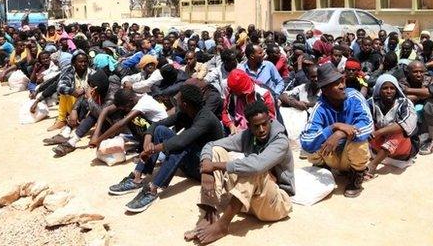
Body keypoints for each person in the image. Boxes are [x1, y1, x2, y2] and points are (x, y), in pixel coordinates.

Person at [184, 101, 294, 244]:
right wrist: (206, 169)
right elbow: (211, 145)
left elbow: (257, 166)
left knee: (253, 168)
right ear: (249, 126)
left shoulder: (281, 141)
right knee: (217, 151)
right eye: (256, 126)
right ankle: (210, 214)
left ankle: (222, 225)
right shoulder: (248, 135)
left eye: (265, 124)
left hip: (275, 204)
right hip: (249, 202)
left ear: (270, 120)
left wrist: (215, 166)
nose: (261, 129)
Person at [109, 84, 225, 213]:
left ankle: (153, 189)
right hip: (191, 159)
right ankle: (137, 177)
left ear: (185, 104)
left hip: (204, 168)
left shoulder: (205, 119)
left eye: (178, 99)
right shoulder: (186, 113)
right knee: (160, 130)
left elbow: (181, 141)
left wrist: (152, 150)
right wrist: (147, 142)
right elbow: (158, 124)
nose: (176, 101)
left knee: (181, 146)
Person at [300, 63, 374, 198]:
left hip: (349, 156)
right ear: (325, 90)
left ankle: (356, 177)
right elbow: (306, 141)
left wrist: (340, 133)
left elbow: (368, 126)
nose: (342, 86)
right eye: (336, 84)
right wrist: (333, 127)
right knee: (314, 141)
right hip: (330, 156)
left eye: (342, 81)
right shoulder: (320, 107)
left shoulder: (355, 97)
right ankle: (324, 169)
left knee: (360, 141)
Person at [367, 74, 418, 179]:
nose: (389, 91)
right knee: (366, 124)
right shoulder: (371, 103)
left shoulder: (405, 103)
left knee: (399, 131)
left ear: (397, 90)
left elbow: (407, 124)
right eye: (385, 88)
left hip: (400, 152)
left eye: (392, 88)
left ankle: (373, 165)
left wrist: (379, 132)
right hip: (377, 147)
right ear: (378, 90)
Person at [399, 61, 433, 155]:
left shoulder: (431, 80)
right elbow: (403, 97)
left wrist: (408, 90)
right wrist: (423, 94)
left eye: (421, 71)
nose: (419, 74)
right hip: (411, 120)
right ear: (408, 72)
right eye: (415, 72)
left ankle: (432, 140)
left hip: (431, 122)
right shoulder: (402, 82)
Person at [222, 69, 276, 134]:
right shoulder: (233, 94)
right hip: (238, 131)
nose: (234, 93)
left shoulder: (263, 94)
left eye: (236, 92)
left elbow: (271, 118)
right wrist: (231, 125)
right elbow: (226, 112)